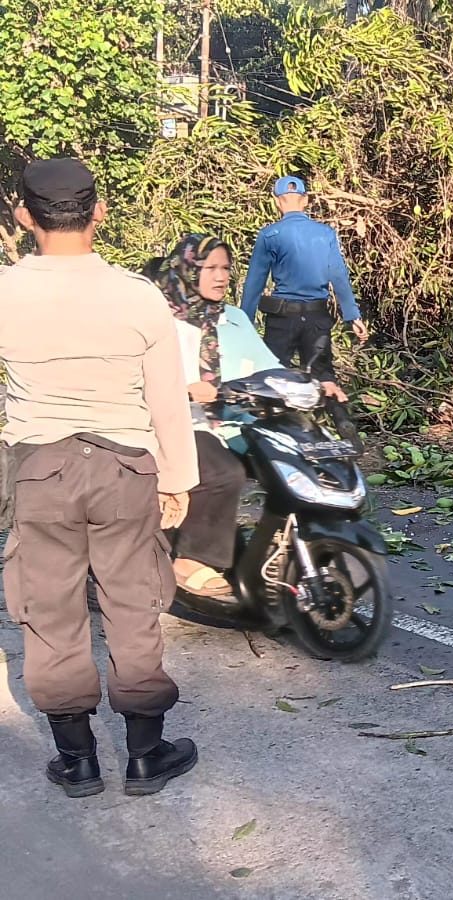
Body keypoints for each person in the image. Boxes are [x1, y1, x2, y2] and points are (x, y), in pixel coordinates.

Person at [0, 158, 200, 798]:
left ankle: (78, 759)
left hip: (38, 468)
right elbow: (167, 397)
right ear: (100, 212)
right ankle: (146, 754)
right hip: (125, 465)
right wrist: (178, 478)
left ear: (23, 215)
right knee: (133, 603)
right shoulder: (138, 295)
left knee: (49, 608)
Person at [144, 234, 293, 597]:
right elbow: (139, 379)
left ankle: (266, 554)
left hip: (235, 422)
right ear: (187, 269)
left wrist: (310, 385)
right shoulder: (159, 319)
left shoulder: (235, 317)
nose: (220, 276)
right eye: (209, 267)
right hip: (179, 423)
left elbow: (268, 369)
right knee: (224, 473)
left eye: (225, 268)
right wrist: (185, 389)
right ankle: (192, 559)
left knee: (290, 467)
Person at [240, 175, 366, 395]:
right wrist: (353, 316)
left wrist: (244, 322)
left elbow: (255, 282)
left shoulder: (269, 235)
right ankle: (334, 423)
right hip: (317, 320)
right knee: (325, 382)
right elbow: (339, 276)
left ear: (277, 201)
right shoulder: (325, 234)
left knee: (272, 381)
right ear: (305, 200)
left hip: (282, 320)